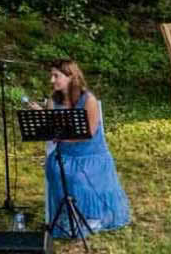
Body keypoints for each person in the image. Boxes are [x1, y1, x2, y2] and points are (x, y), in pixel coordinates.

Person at [41, 58, 132, 237]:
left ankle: (93, 216)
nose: (52, 80)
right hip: (65, 154)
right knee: (53, 167)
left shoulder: (88, 99)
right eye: (51, 76)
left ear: (70, 77)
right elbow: (52, 132)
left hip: (90, 154)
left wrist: (60, 137)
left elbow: (88, 133)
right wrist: (44, 120)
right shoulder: (53, 100)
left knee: (76, 176)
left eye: (56, 76)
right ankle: (67, 215)